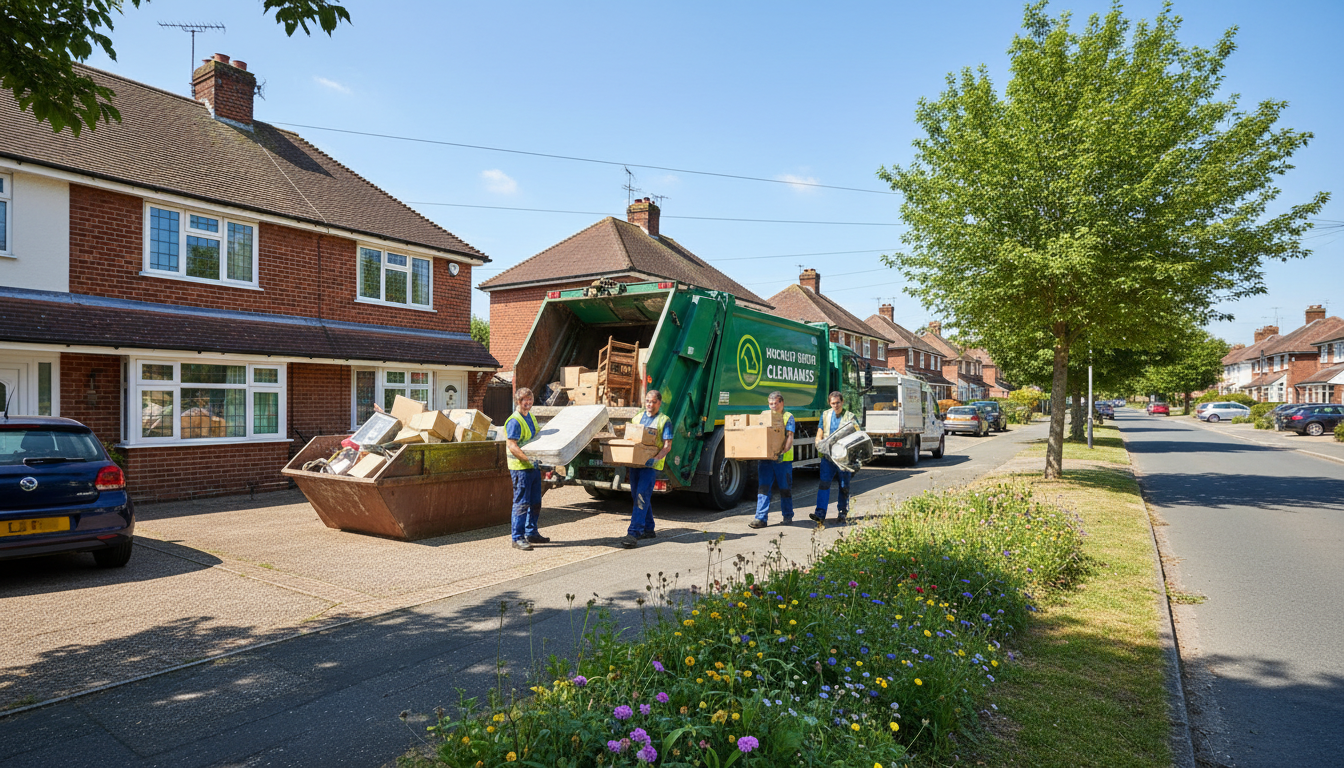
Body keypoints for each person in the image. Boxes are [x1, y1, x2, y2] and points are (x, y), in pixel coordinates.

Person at [620, 390, 674, 549]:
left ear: (659, 403)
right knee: (637, 495)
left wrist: (655, 459)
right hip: (635, 465)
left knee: (641, 497)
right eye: (647, 401)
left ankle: (634, 532)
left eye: (653, 402)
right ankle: (649, 528)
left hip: (649, 467)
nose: (649, 405)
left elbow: (667, 446)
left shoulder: (664, 421)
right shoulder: (637, 417)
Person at [505, 387, 549, 551]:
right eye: (525, 400)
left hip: (533, 467)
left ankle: (531, 533)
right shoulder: (515, 421)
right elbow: (512, 446)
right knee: (522, 503)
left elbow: (537, 437)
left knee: (536, 502)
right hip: (520, 468)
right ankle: (517, 538)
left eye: (530, 400)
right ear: (519, 402)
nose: (528, 403)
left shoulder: (530, 416)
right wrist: (527, 459)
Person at [749, 391, 795, 529]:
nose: (773, 406)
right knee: (763, 488)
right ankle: (760, 518)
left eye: (775, 403)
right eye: (770, 404)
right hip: (766, 459)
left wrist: (783, 451)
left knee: (785, 488)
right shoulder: (764, 415)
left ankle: (787, 516)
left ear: (782, 402)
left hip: (783, 460)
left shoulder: (788, 417)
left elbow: (790, 437)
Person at [811, 391, 858, 525]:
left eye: (838, 403)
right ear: (829, 403)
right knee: (824, 484)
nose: (835, 405)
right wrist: (818, 442)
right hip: (828, 456)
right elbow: (820, 430)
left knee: (844, 485)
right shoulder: (825, 415)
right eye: (833, 403)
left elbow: (857, 434)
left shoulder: (850, 416)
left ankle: (842, 512)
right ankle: (820, 513)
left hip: (844, 457)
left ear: (842, 402)